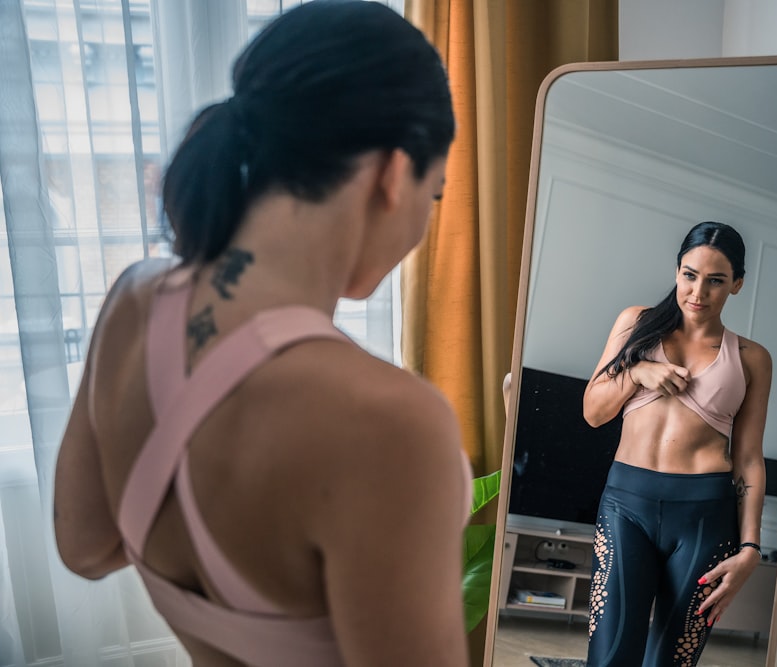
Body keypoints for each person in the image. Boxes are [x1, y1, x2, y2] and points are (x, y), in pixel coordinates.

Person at [52, 3, 470, 665]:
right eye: (436, 192)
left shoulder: (133, 301)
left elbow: (84, 545)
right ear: (393, 173)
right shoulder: (392, 421)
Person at [582, 221, 772, 666]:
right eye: (690, 274)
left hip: (704, 516)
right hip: (625, 506)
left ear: (737, 285)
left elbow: (748, 458)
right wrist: (637, 373)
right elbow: (593, 412)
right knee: (608, 657)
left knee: (673, 661)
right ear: (676, 272)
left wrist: (750, 548)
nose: (698, 291)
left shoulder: (752, 358)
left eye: (716, 280)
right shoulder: (636, 324)